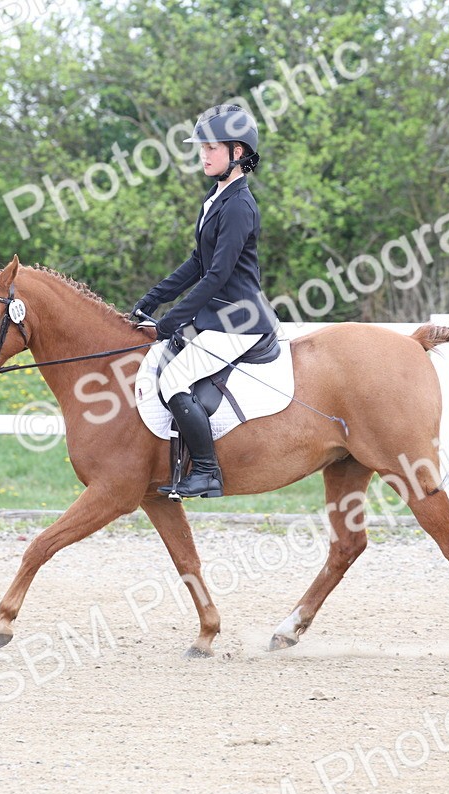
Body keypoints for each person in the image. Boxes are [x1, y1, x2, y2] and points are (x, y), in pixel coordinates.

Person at [131, 104, 280, 499]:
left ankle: (208, 473)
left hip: (241, 320)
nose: (203, 153)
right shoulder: (215, 197)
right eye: (202, 147)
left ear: (237, 153)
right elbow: (198, 262)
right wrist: (153, 297)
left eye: (211, 147)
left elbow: (218, 275)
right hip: (219, 316)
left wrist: (168, 321)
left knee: (174, 379)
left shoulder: (239, 205)